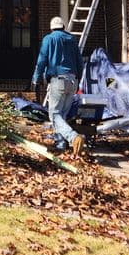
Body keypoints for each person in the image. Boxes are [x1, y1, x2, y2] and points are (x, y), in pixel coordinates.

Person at [31, 16, 85, 156]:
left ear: (51, 28)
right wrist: (78, 79)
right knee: (62, 115)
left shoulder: (49, 39)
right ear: (63, 27)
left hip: (58, 80)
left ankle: (73, 137)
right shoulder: (72, 39)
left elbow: (42, 60)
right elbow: (80, 62)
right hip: (73, 80)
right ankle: (61, 144)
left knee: (54, 115)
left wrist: (36, 78)